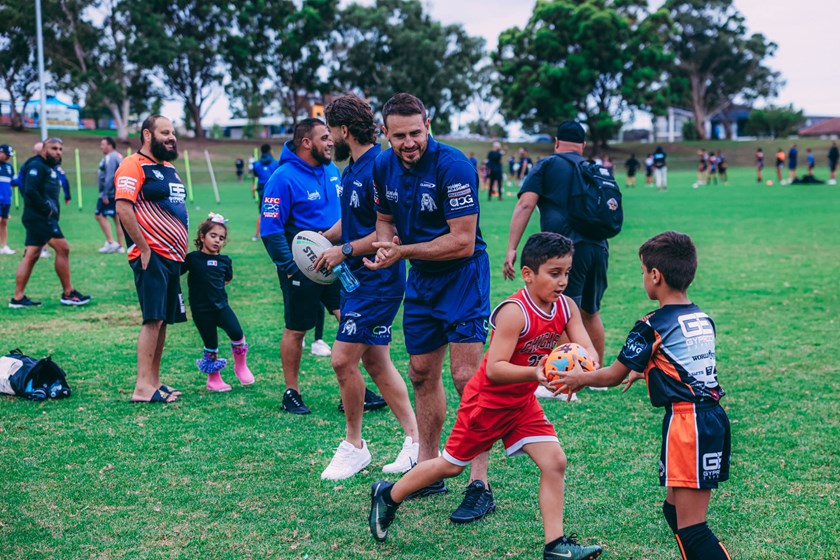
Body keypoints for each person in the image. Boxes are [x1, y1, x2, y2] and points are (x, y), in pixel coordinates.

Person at [368, 232, 603, 560]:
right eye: (554, 273)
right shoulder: (514, 312)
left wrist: (582, 369)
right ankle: (388, 495)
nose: (563, 281)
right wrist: (539, 374)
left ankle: (555, 546)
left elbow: (587, 347)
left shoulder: (566, 307)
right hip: (487, 403)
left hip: (521, 404)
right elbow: (494, 368)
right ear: (528, 274)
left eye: (566, 272)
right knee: (450, 466)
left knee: (555, 461)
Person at [555, 231, 731, 560]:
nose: (643, 279)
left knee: (693, 527)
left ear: (655, 275)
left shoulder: (651, 324)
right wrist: (646, 367)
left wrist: (580, 377)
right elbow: (686, 361)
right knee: (674, 513)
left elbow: (611, 375)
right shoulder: (702, 317)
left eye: (642, 272)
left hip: (688, 424)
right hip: (708, 419)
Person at [365, 93, 494, 524]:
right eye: (398, 135)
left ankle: (480, 483)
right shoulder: (383, 166)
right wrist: (386, 244)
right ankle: (428, 468)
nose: (408, 143)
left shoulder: (453, 166)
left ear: (428, 125)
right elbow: (385, 218)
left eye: (415, 133)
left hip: (462, 277)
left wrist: (403, 251)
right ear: (385, 133)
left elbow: (461, 240)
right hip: (420, 277)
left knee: (466, 377)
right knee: (421, 372)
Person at [311, 94, 419, 480]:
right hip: (356, 280)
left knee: (342, 359)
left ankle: (354, 446)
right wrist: (319, 243)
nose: (329, 141)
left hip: (378, 277)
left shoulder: (379, 167)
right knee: (375, 360)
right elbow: (352, 222)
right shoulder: (352, 168)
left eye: (329, 133)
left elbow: (387, 231)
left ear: (343, 130)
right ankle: (415, 440)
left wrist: (342, 250)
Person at [261, 118, 383, 414]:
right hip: (301, 266)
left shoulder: (332, 171)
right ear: (306, 143)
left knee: (349, 319)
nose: (331, 142)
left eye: (331, 137)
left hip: (336, 259)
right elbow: (270, 228)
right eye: (325, 138)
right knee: (297, 328)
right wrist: (291, 266)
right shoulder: (282, 176)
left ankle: (354, 390)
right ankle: (291, 392)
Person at [504, 120, 606, 379]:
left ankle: (561, 377)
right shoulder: (593, 168)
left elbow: (526, 205)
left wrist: (512, 248)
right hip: (599, 247)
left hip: (565, 251)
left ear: (557, 142)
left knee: (560, 308)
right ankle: (597, 377)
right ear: (582, 145)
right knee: (591, 310)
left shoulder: (547, 165)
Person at [115, 115, 188, 403]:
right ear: (148, 135)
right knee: (152, 319)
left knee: (163, 320)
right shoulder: (132, 165)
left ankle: (154, 381)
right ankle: (142, 386)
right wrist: (144, 248)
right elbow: (123, 208)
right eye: (165, 132)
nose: (172, 137)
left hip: (172, 257)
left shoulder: (168, 168)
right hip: (152, 256)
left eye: (173, 132)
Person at [10, 138, 91, 309]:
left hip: (41, 217)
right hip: (40, 218)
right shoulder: (36, 165)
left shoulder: (50, 167)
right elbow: (29, 190)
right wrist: (45, 207)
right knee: (63, 248)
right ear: (43, 150)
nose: (58, 152)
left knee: (31, 255)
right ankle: (68, 294)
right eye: (53, 148)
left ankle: (17, 299)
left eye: (60, 149)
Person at [182, 213, 254, 392]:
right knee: (211, 343)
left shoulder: (225, 261)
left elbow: (226, 280)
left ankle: (241, 367)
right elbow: (176, 271)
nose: (217, 241)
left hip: (222, 307)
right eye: (213, 236)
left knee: (237, 333)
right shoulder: (192, 259)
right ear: (202, 236)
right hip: (201, 311)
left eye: (221, 238)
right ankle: (213, 379)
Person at [95, 137, 125, 254]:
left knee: (99, 215)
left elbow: (110, 176)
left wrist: (105, 194)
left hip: (110, 193)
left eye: (103, 144)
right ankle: (119, 246)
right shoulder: (117, 156)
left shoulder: (110, 158)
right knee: (117, 218)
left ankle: (111, 243)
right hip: (117, 192)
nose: (101, 147)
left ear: (110, 146)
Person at [251, 144, 278, 241]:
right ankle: (274, 234)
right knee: (275, 212)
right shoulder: (276, 163)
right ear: (270, 151)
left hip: (261, 189)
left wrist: (253, 190)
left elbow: (254, 179)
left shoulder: (256, 164)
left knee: (261, 212)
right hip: (274, 189)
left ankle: (256, 235)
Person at [0, 144, 18, 255]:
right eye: (6, 155)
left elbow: (14, 182)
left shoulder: (9, 167)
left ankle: (4, 246)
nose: (8, 157)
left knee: (4, 222)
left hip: (6, 199)